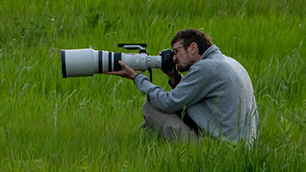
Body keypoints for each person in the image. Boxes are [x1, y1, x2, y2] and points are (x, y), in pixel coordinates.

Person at [107, 29, 258, 144]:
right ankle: (151, 144)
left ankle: (165, 149)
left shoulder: (206, 68)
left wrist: (137, 77)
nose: (174, 58)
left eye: (176, 51)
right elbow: (194, 95)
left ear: (193, 48)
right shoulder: (227, 62)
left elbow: (167, 103)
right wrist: (174, 78)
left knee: (151, 108)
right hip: (241, 146)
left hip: (219, 148)